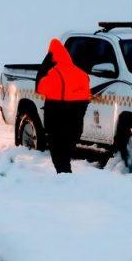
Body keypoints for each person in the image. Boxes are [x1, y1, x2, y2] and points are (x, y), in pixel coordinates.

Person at [35, 38, 92, 173]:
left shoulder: (54, 74)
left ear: (51, 57)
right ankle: (66, 178)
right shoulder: (82, 74)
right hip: (76, 124)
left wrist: (45, 66)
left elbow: (39, 87)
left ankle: (65, 180)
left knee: (58, 155)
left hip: (57, 122)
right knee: (66, 155)